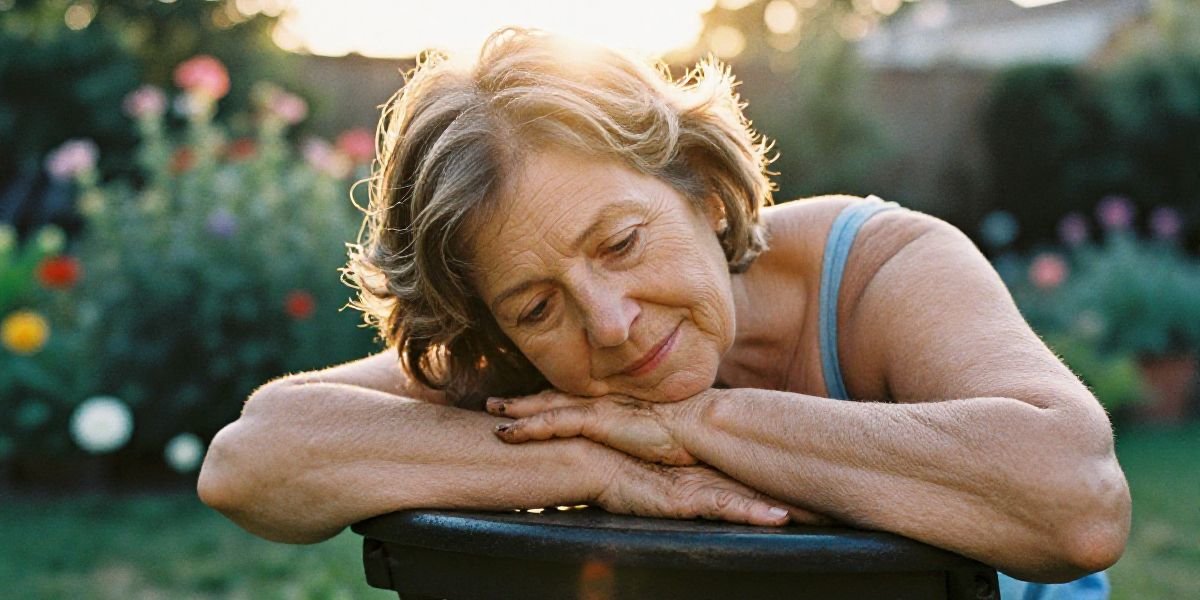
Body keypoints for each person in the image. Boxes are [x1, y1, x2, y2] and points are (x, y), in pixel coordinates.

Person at [198, 28, 1129, 597]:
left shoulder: (879, 270)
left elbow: (1077, 503)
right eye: (535, 304)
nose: (606, 323)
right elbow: (252, 462)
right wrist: (597, 459)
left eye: (621, 243)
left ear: (706, 195)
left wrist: (696, 423)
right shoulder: (536, 368)